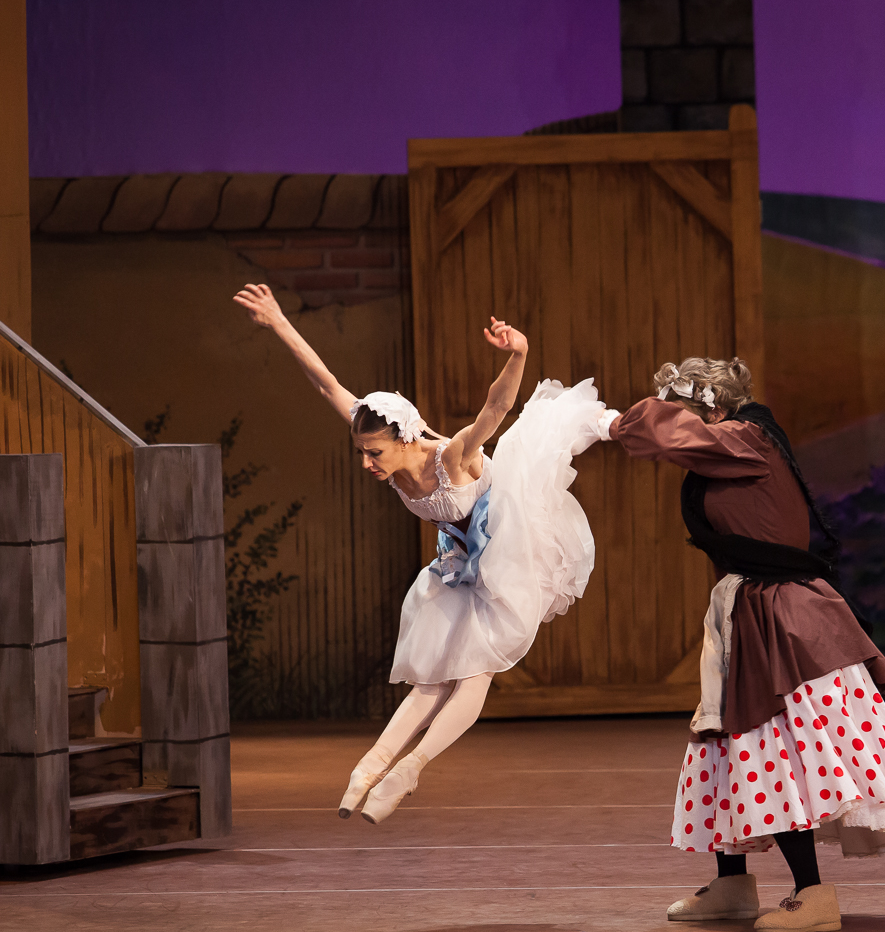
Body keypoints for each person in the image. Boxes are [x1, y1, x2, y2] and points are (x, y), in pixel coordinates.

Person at [232, 282, 612, 823]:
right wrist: (278, 322)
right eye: (361, 452)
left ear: (404, 439)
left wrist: (519, 353)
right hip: (460, 557)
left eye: (374, 453)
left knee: (475, 673)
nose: (367, 464)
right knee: (430, 677)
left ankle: (410, 768)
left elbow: (496, 408)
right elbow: (326, 383)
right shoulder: (384, 448)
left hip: (508, 549)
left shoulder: (451, 458)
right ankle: (371, 768)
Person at [607, 357, 885, 932]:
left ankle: (812, 894)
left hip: (782, 617)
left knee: (776, 749)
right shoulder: (731, 446)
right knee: (728, 741)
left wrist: (606, 423)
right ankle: (733, 883)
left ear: (713, 410)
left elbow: (664, 432)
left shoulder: (748, 437)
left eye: (685, 410)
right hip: (749, 608)